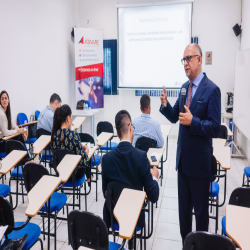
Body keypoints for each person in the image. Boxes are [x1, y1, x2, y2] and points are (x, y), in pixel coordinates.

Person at [159, 44, 221, 243]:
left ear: (199, 59)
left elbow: (214, 127)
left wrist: (193, 122)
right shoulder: (184, 88)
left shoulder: (212, 90)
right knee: (183, 216)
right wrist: (165, 105)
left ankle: (201, 247)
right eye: (183, 60)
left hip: (200, 167)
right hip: (182, 165)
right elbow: (175, 116)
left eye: (188, 59)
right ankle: (187, 245)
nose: (185, 63)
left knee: (201, 218)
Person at [102, 110, 160, 242]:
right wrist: (154, 177)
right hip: (135, 217)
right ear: (130, 128)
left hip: (113, 216)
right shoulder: (141, 157)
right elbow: (153, 196)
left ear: (116, 134)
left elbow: (106, 193)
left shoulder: (106, 159)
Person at [51, 104, 91, 182]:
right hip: (74, 173)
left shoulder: (54, 135)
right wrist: (86, 152)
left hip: (60, 172)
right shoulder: (73, 135)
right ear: (68, 118)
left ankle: (89, 177)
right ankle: (89, 177)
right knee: (86, 157)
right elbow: (83, 161)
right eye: (71, 118)